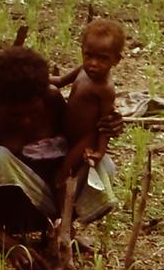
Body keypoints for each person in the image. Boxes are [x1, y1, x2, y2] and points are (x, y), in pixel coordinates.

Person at [0, 46, 119, 270]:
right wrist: (9, 244)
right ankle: (13, 233)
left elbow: (78, 140)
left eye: (32, 112)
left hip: (53, 194)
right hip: (11, 212)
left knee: (103, 165)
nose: (25, 121)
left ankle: (60, 231)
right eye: (15, 115)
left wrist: (107, 125)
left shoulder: (52, 100)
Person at [49, 18, 124, 217]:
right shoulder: (82, 70)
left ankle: (63, 223)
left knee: (63, 178)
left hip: (84, 139)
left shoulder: (105, 89)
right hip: (67, 132)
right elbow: (59, 81)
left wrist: (99, 151)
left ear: (116, 60)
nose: (93, 63)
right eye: (88, 55)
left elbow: (105, 123)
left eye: (102, 58)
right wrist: (33, 77)